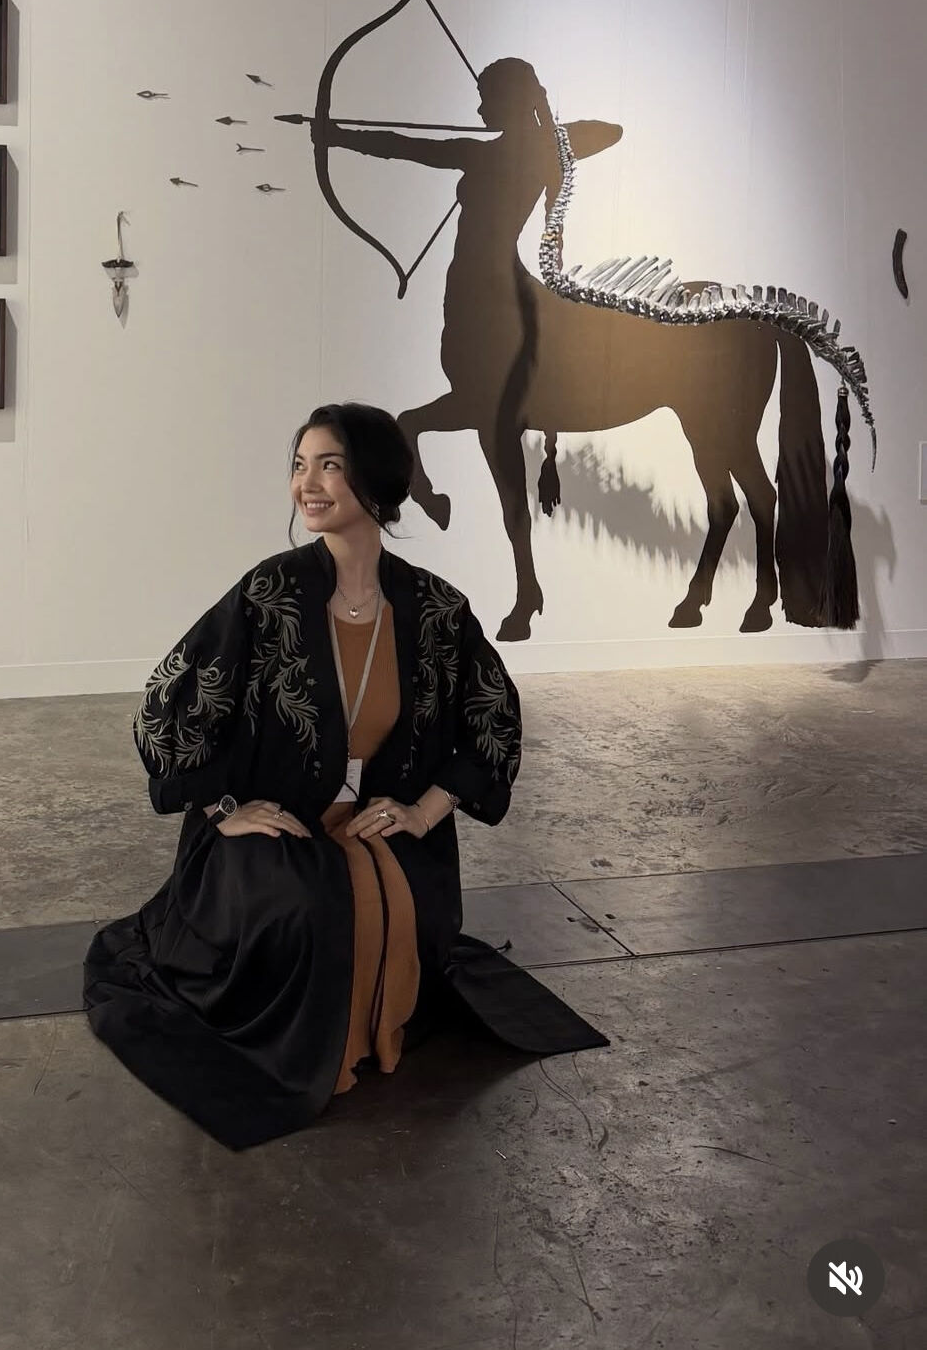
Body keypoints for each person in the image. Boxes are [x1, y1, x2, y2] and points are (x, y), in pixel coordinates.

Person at [83, 402, 608, 1149]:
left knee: (401, 898)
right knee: (310, 905)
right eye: (299, 465)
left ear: (376, 478)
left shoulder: (432, 607)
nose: (307, 484)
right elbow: (170, 704)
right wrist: (222, 806)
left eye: (329, 465)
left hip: (376, 816)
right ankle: (327, 1055)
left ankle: (366, 1036)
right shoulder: (268, 596)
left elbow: (492, 719)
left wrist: (425, 810)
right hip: (276, 820)